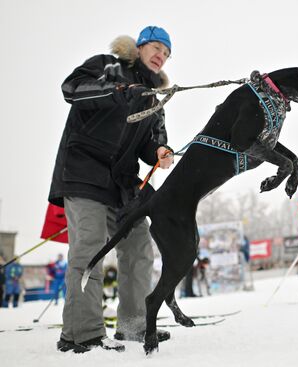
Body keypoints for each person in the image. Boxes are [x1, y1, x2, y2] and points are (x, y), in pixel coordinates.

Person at [48, 26, 175, 353]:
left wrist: (160, 152)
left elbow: (153, 142)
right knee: (88, 249)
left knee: (139, 247)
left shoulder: (154, 99)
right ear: (140, 46)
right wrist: (118, 90)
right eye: (157, 47)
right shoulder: (108, 65)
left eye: (167, 52)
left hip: (122, 185)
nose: (161, 55)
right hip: (84, 172)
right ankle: (82, 334)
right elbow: (72, 89)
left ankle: (133, 326)